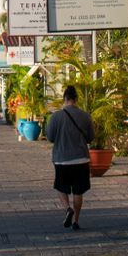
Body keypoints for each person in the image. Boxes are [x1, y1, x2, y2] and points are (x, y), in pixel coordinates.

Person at [44, 85, 94, 231]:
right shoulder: (85, 116)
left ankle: (67, 208)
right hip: (81, 159)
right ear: (76, 99)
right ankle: (76, 221)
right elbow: (91, 137)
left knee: (61, 187)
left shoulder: (56, 116)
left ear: (64, 98)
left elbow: (50, 137)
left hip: (62, 159)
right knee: (78, 191)